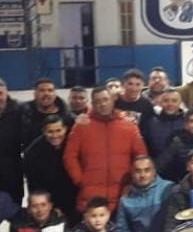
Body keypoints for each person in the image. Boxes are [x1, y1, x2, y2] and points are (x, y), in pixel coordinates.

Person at [63, 85, 148, 213]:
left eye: (105, 99)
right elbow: (69, 156)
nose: (102, 104)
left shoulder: (129, 125)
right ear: (93, 104)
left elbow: (140, 156)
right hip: (91, 197)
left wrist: (132, 182)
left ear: (112, 100)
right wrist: (80, 180)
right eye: (98, 101)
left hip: (123, 195)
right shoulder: (81, 126)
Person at [115, 156, 172, 232]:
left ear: (154, 171)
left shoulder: (169, 189)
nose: (142, 175)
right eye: (138, 171)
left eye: (147, 170)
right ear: (132, 174)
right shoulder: (126, 199)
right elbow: (122, 228)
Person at [23, 114, 79, 223]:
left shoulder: (74, 144)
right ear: (44, 131)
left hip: (75, 198)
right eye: (50, 132)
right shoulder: (32, 153)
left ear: (65, 129)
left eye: (58, 130)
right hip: (50, 202)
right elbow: (34, 185)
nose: (55, 135)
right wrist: (49, 206)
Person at [19, 78, 72, 146]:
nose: (46, 93)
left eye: (50, 90)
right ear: (35, 94)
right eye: (42, 90)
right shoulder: (22, 113)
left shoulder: (68, 116)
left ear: (55, 94)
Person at [142, 88, 187, 157]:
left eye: (174, 101)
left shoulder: (188, 121)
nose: (170, 104)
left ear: (180, 103)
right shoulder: (151, 123)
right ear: (160, 103)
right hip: (157, 162)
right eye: (166, 101)